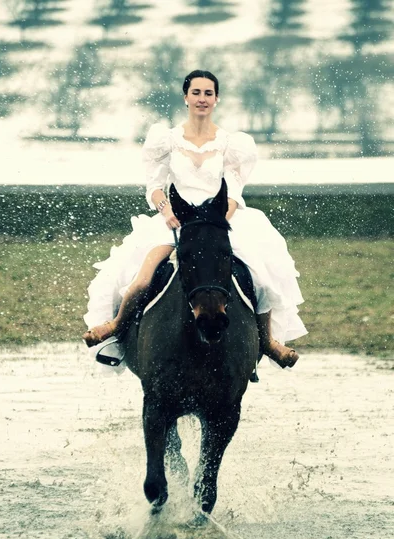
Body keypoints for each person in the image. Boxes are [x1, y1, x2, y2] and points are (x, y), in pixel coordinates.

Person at [83, 69, 307, 369]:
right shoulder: (167, 140)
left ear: (216, 99)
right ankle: (118, 326)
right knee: (143, 275)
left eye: (209, 93)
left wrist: (215, 222)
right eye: (197, 93)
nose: (202, 99)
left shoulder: (232, 144)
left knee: (261, 278)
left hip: (220, 221)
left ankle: (266, 341)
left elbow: (234, 192)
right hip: (176, 219)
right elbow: (154, 187)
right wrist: (166, 211)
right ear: (186, 97)